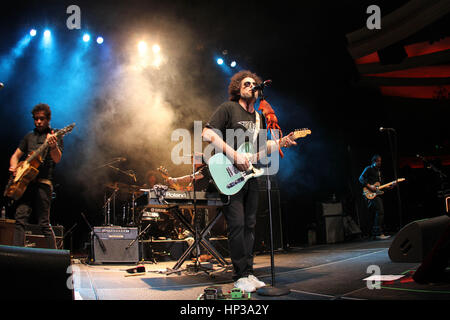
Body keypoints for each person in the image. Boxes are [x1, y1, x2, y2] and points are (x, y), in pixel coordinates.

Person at [201, 70, 297, 293]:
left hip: (251, 175)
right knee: (237, 224)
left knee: (250, 225)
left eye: (254, 84)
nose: (251, 86)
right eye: (246, 83)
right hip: (229, 173)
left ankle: (249, 272)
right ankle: (239, 275)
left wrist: (282, 142)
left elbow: (262, 149)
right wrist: (234, 155)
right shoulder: (228, 108)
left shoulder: (259, 117)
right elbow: (207, 133)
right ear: (237, 88)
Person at [9, 103, 63, 248]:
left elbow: (57, 158)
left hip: (43, 183)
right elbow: (15, 156)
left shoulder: (54, 135)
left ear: (48, 119)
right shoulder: (29, 136)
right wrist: (14, 167)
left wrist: (53, 146)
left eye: (42, 119)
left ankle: (54, 256)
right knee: (20, 218)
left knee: (44, 223)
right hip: (26, 184)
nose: (38, 121)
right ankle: (17, 255)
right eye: (36, 119)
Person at [359, 154, 393, 240]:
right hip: (370, 193)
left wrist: (389, 186)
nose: (380, 163)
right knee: (380, 211)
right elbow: (361, 178)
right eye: (378, 161)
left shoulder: (379, 172)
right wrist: (369, 186)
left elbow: (381, 185)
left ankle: (375, 233)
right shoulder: (369, 169)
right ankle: (378, 233)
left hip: (376, 193)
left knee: (376, 213)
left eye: (380, 161)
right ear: (374, 161)